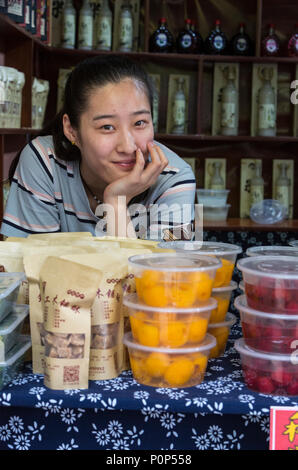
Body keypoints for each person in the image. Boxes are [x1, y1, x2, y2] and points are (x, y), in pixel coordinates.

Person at [1, 55, 196, 240]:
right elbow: (28, 265)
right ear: (71, 130)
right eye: (107, 127)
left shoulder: (175, 178)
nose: (128, 146)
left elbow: (162, 274)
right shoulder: (45, 162)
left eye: (139, 123)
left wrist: (116, 203)